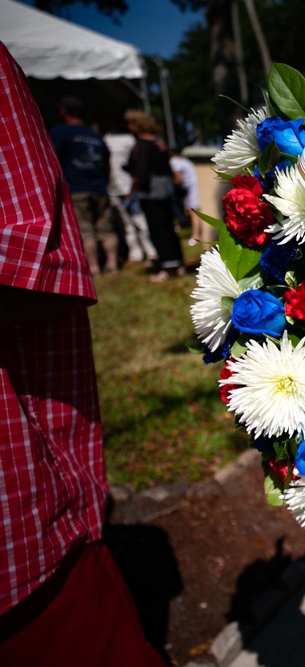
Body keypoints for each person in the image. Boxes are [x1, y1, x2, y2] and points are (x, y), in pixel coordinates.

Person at [0, 42, 167, 665]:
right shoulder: (98, 143)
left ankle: (119, 265)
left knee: (98, 235)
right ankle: (122, 264)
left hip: (24, 551)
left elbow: (35, 255)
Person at [49, 96, 117, 277]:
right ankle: (112, 263)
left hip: (77, 188)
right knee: (106, 227)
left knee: (86, 229)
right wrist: (104, 181)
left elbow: (52, 161)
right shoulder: (95, 136)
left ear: (64, 111)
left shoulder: (60, 133)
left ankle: (94, 268)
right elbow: (107, 163)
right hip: (100, 188)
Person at [124, 109, 184, 282]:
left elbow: (140, 172)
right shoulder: (159, 143)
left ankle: (168, 266)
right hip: (166, 189)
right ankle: (177, 263)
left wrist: (132, 189)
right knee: (169, 227)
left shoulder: (142, 145)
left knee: (158, 229)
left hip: (151, 192)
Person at [105, 128, 158, 265]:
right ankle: (135, 253)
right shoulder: (105, 139)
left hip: (130, 187)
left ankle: (152, 251)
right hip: (113, 188)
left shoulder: (130, 140)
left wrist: (133, 185)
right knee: (126, 224)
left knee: (140, 221)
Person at [169, 148, 202, 245]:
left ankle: (196, 236)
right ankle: (198, 234)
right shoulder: (181, 160)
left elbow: (177, 178)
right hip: (190, 188)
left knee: (194, 212)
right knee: (190, 212)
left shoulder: (174, 162)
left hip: (192, 188)